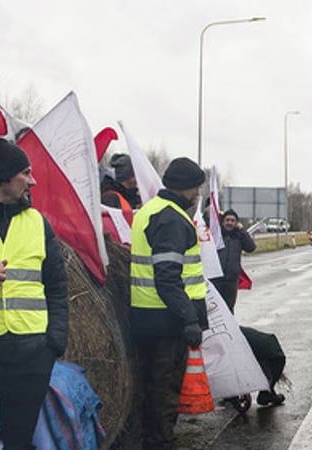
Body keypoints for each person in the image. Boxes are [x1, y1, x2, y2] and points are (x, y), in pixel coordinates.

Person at [0, 138, 69, 450]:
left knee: (20, 441)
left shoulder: (37, 221)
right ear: (2, 177)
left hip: (32, 352)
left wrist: (55, 340)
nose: (32, 180)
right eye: (25, 173)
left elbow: (57, 284)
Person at [129, 157, 210, 450]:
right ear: (187, 189)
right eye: (197, 189)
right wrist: (189, 319)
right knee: (164, 388)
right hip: (167, 319)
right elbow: (167, 278)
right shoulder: (173, 219)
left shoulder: (149, 210)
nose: (198, 195)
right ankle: (160, 442)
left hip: (145, 315)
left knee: (148, 384)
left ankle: (146, 438)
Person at [211, 209, 256, 313]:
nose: (229, 223)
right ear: (223, 222)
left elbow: (251, 248)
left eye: (232, 220)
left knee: (229, 308)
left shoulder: (239, 236)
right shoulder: (217, 236)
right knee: (215, 309)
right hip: (217, 278)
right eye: (227, 220)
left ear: (236, 223)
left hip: (232, 279)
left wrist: (242, 231)